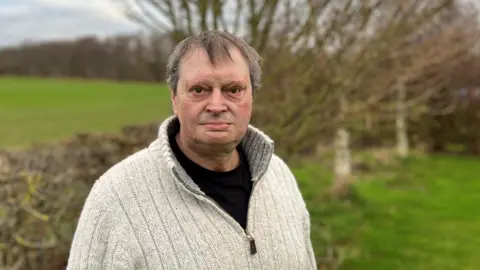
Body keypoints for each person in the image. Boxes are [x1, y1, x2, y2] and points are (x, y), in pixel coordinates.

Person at [67, 30, 317, 270]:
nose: (217, 105)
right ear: (174, 98)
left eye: (233, 90)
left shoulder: (280, 176)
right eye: (199, 90)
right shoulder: (116, 198)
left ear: (252, 97)